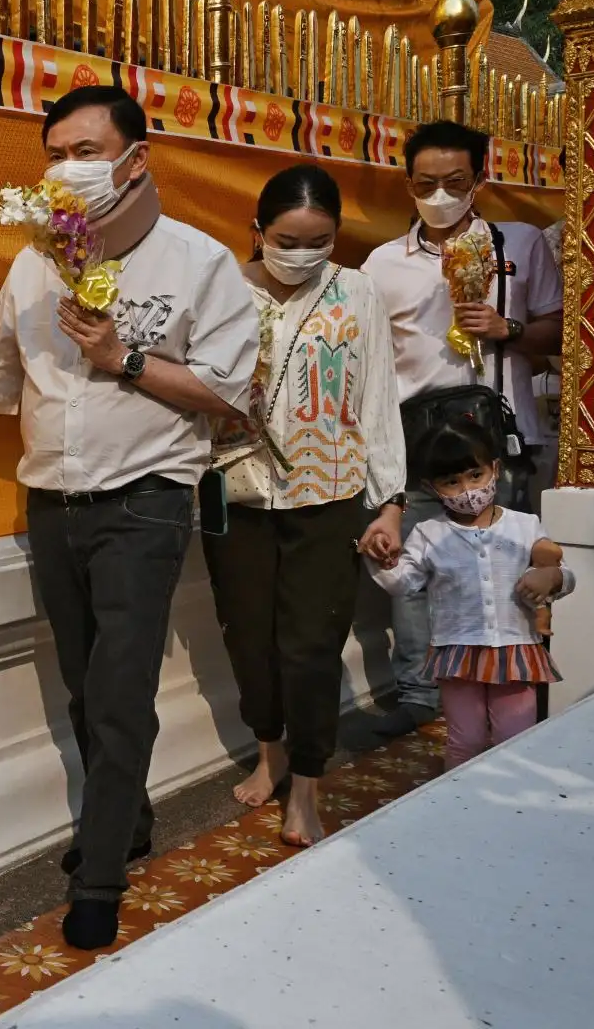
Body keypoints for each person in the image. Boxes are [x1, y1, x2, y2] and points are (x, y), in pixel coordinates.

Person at [0, 85, 259, 951]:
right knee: (81, 679)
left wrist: (124, 358)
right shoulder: (35, 260)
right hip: (53, 504)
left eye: (86, 150)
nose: (67, 169)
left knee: (119, 691)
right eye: (56, 152)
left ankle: (101, 871)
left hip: (145, 501)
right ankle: (127, 815)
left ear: (135, 160)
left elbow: (226, 392)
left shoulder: (200, 263)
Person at [203, 164, 407, 846]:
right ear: (256, 231)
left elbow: (377, 395)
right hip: (235, 492)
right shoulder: (219, 289)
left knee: (313, 644)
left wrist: (390, 502)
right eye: (287, 239)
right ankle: (271, 756)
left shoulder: (357, 292)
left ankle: (309, 787)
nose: (302, 252)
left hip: (332, 491)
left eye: (319, 240)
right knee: (249, 637)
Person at [360, 120, 562, 738]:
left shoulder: (518, 244)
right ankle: (422, 692)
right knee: (420, 571)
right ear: (408, 183)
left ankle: (516, 687)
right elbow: (373, 359)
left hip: (501, 439)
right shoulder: (382, 262)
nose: (440, 193)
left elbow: (562, 334)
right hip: (418, 436)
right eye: (426, 183)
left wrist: (511, 331)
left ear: (480, 176)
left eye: (454, 181)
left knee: (506, 569)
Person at [367, 421, 572, 770]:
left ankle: (515, 807)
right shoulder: (427, 534)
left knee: (517, 737)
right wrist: (382, 560)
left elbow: (564, 573)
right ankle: (458, 804)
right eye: (452, 482)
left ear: (495, 468)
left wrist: (552, 576)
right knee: (466, 739)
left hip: (515, 650)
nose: (467, 489)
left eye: (475, 475)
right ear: (432, 487)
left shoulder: (525, 526)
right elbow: (404, 584)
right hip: (458, 653)